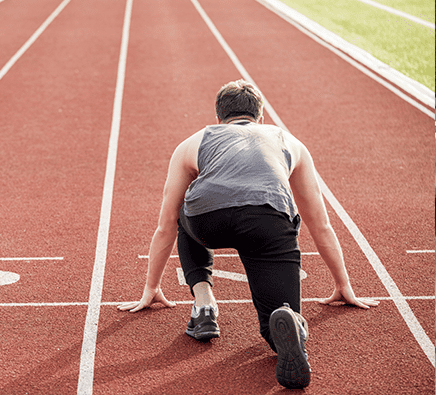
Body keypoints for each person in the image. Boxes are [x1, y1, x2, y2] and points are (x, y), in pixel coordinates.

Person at [117, 80, 379, 389]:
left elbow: (165, 224)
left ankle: (204, 305)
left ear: (219, 118)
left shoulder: (195, 141)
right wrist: (343, 284)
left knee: (182, 211)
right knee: (277, 320)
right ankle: (286, 323)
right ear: (261, 116)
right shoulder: (288, 140)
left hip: (206, 221)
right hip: (267, 222)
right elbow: (320, 224)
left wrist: (151, 287)